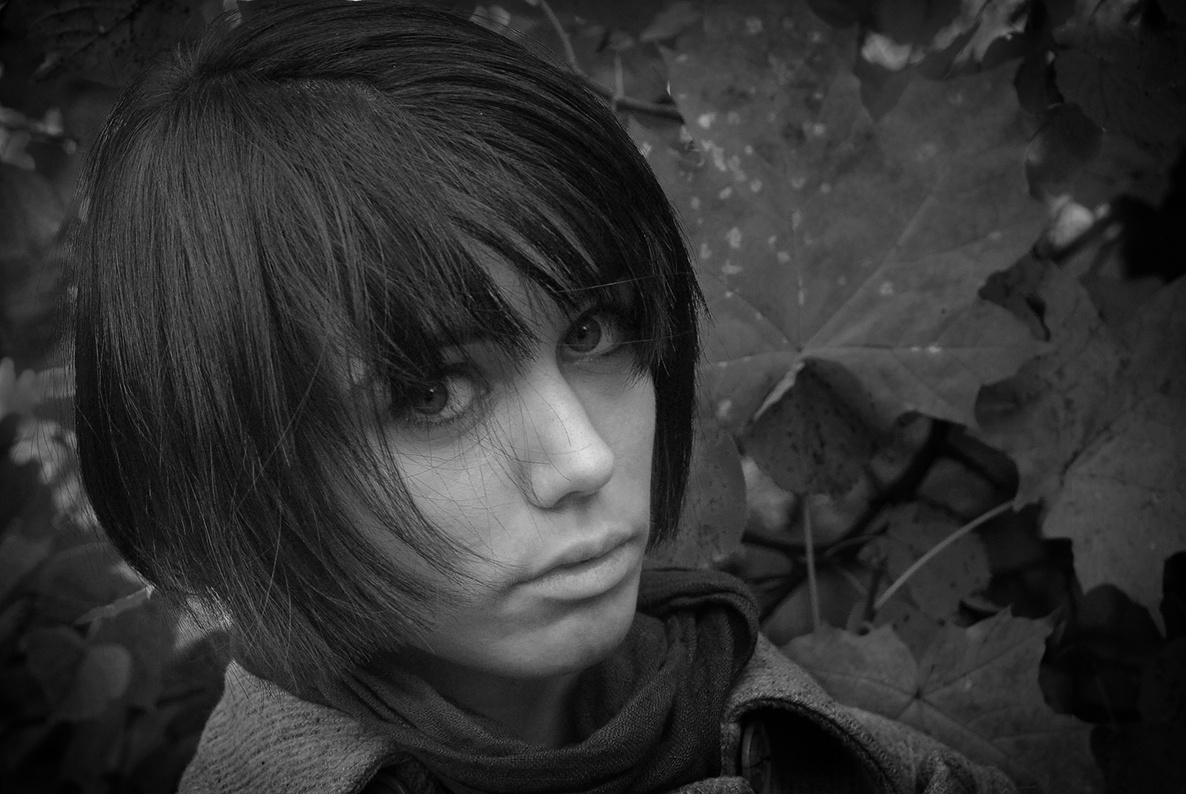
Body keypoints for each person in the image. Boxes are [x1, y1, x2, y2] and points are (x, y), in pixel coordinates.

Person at [69, 2, 1016, 792]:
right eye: (430, 392)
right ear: (239, 476)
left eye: (593, 334)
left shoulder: (862, 766)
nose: (584, 460)